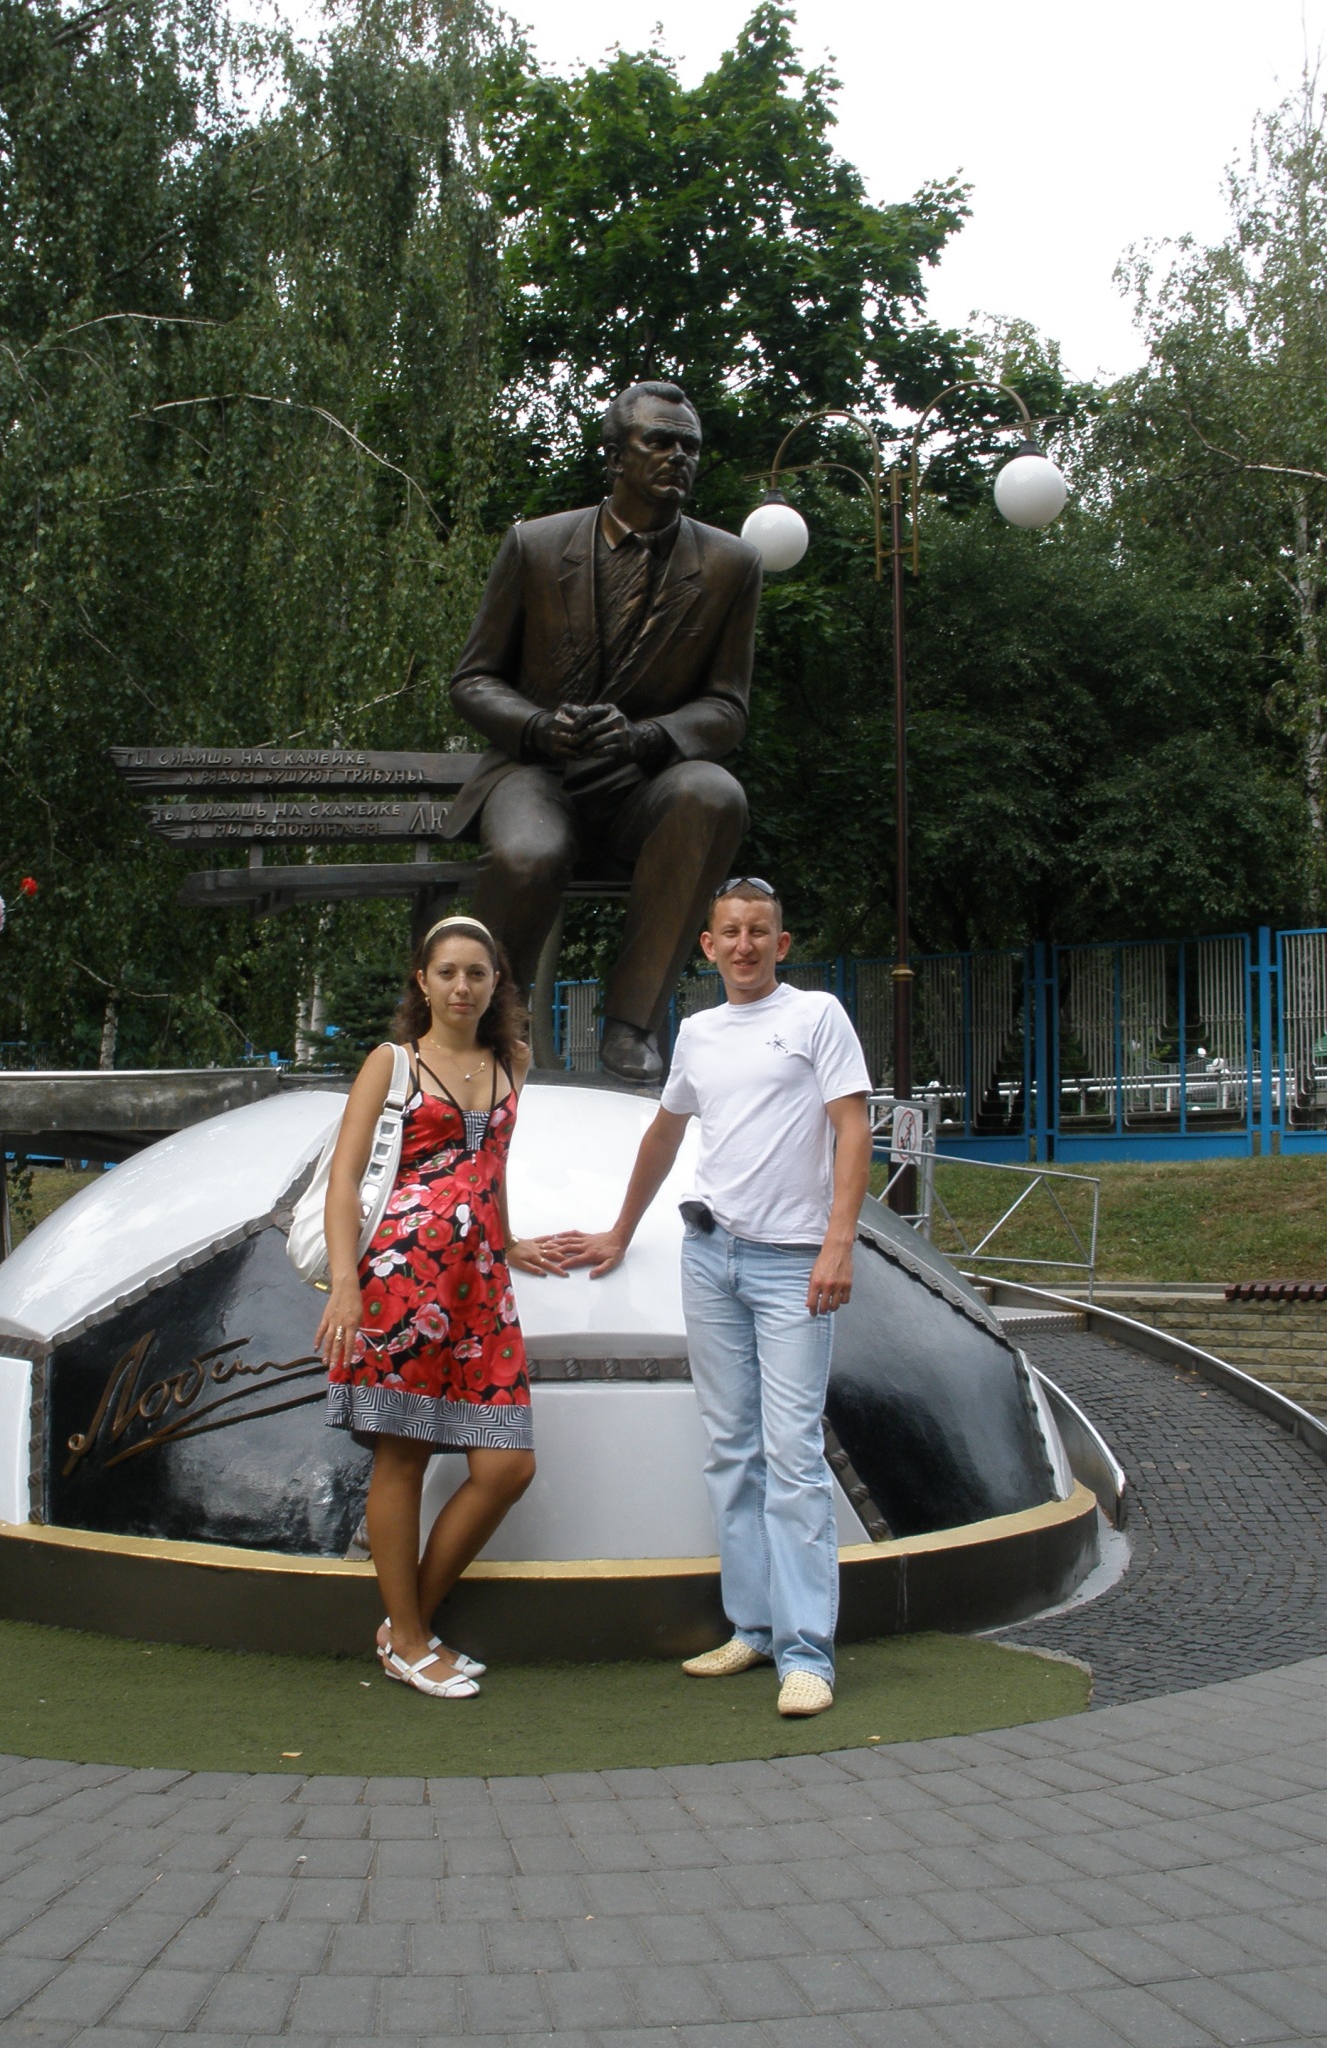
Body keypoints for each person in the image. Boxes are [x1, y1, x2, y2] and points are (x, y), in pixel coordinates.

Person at [555, 879, 872, 1717]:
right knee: (732, 1451)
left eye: (758, 932)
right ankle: (753, 1627)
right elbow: (666, 1133)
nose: (744, 945)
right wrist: (620, 1230)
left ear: (781, 942)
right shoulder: (696, 1032)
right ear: (707, 945)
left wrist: (838, 1242)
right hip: (710, 1257)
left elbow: (852, 1127)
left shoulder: (817, 1017)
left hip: (792, 1264)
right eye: (729, 932)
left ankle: (808, 1655)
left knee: (792, 1455)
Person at [444, 380, 762, 1086]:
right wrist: (536, 725)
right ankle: (492, 1021)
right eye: (660, 441)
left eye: (690, 447)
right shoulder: (535, 545)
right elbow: (472, 679)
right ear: (615, 456)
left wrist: (647, 737)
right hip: (537, 773)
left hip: (642, 785)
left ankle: (632, 1022)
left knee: (714, 793)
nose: (678, 457)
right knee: (530, 854)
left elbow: (726, 707)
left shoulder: (730, 565)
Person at [318, 915, 566, 1699]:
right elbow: (343, 1179)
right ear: (422, 982)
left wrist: (507, 1238)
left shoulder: (512, 1060)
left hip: (482, 1290)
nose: (463, 987)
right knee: (405, 1457)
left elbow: (490, 1163)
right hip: (401, 1284)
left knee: (506, 1466)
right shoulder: (392, 1063)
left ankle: (407, 1627)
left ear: (497, 984)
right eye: (448, 973)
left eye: (477, 974)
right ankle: (411, 1640)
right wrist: (346, 1284)